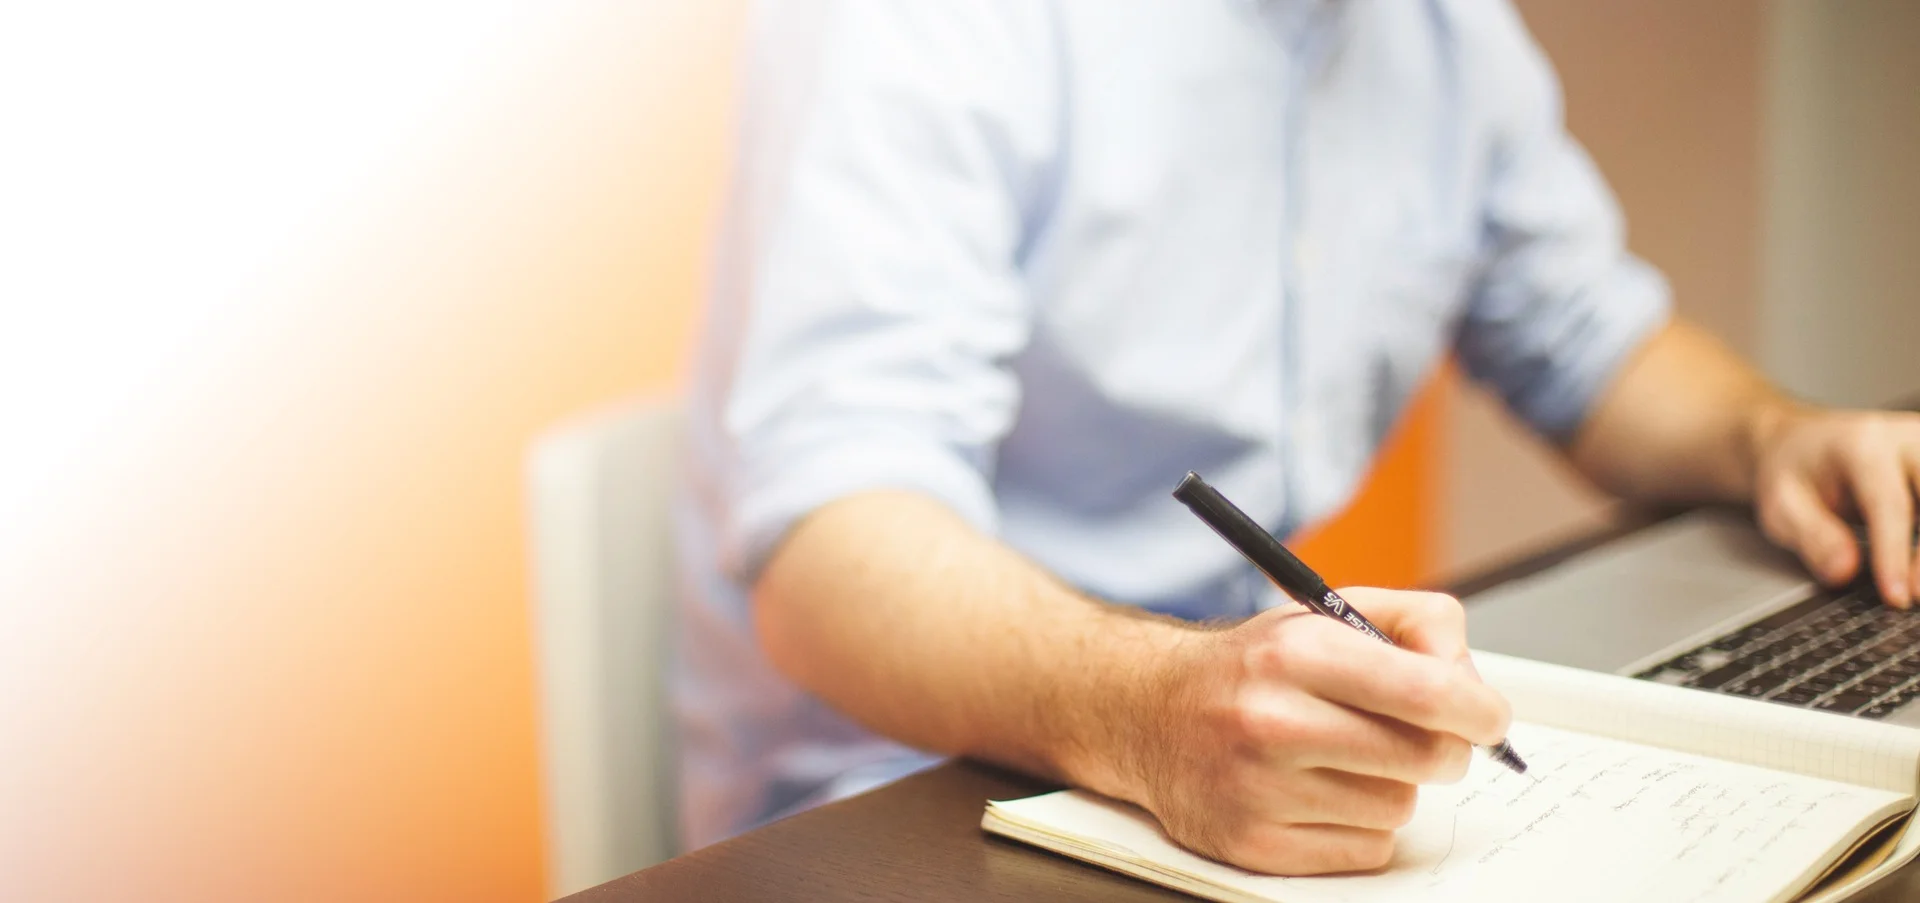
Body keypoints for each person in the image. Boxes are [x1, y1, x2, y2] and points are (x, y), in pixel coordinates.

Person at [671, 1, 1920, 874]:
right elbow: (827, 550)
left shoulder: (1441, 32)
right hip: (906, 798)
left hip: (1226, 745)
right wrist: (1154, 713)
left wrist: (1772, 437)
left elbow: (1585, 338)